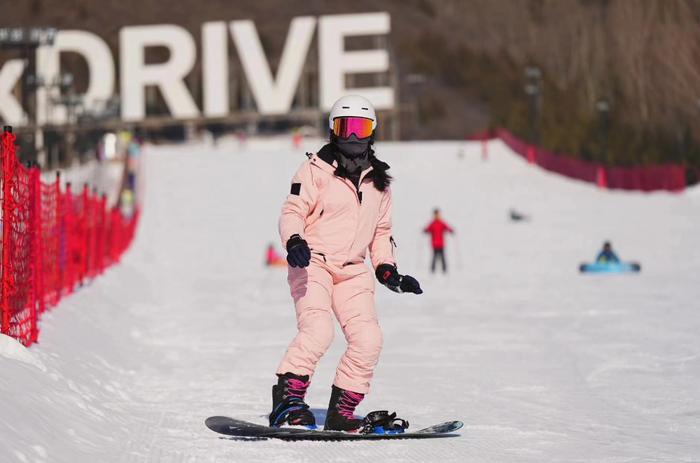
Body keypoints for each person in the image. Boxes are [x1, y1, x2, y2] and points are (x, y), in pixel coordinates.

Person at [271, 95, 423, 432]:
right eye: (345, 127)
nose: (352, 137)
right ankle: (287, 402)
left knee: (369, 338)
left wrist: (388, 270)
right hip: (313, 262)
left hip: (353, 271)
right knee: (318, 330)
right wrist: (295, 241)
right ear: (332, 130)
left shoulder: (379, 182)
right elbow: (292, 210)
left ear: (372, 132)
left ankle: (341, 410)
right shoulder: (315, 171)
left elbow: (382, 231)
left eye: (360, 128)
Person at [424, 209, 454, 273]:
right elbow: (428, 229)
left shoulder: (441, 223)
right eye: (435, 214)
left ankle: (444, 269)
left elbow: (447, 227)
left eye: (438, 214)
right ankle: (433, 269)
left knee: (442, 257)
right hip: (434, 244)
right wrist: (425, 230)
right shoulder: (432, 223)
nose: (437, 216)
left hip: (441, 244)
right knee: (434, 257)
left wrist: (451, 230)